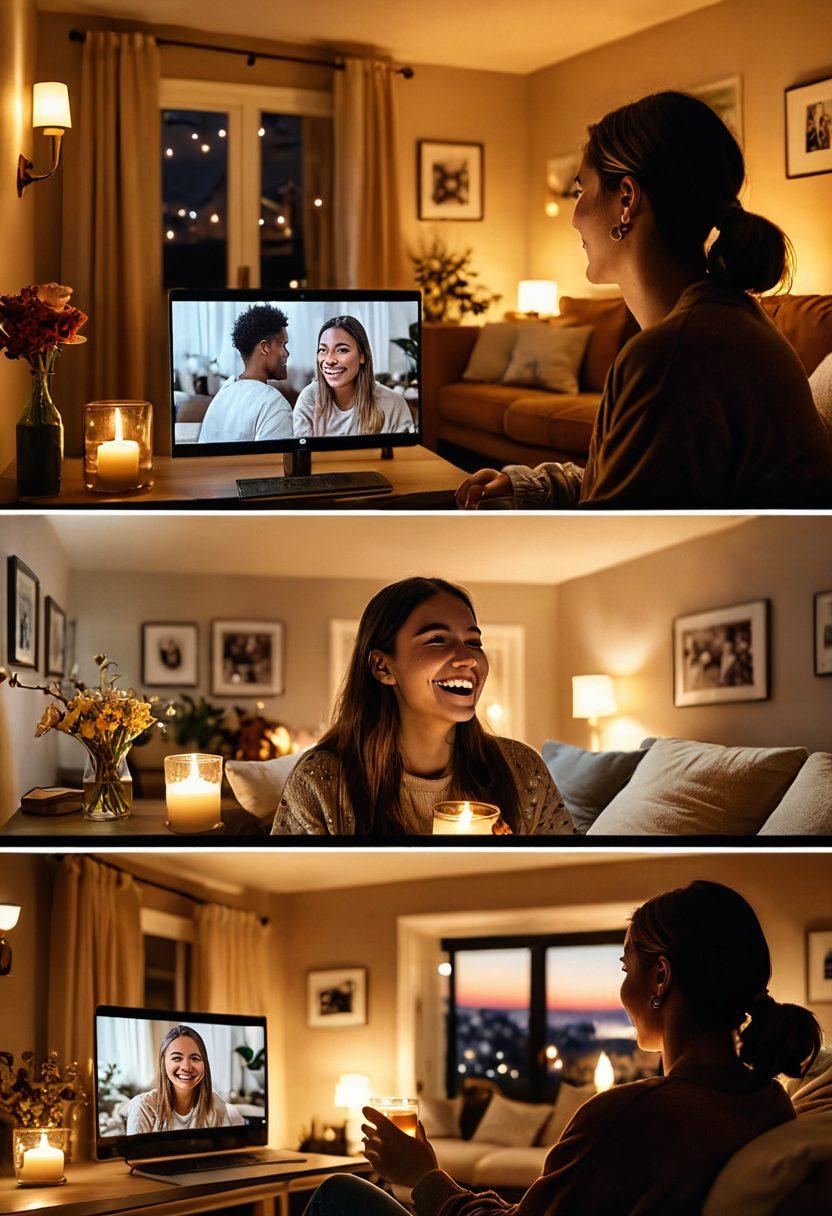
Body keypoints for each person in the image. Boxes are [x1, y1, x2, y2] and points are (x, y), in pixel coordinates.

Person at [302, 880, 821, 1216]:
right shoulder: (766, 1100)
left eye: (626, 969)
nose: (621, 991)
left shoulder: (633, 1114)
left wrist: (424, 1178)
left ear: (660, 977)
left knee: (337, 1195)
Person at [456, 91, 832, 510]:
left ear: (626, 200)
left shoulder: (671, 361)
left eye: (582, 190)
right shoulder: (723, 322)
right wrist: (534, 487)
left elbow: (612, 548)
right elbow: (649, 482)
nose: (574, 215)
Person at [271, 577, 574, 837]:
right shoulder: (321, 782)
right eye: (436, 640)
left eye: (473, 642)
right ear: (382, 667)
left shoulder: (522, 771)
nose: (467, 658)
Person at [293, 315, 415, 437]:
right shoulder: (309, 399)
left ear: (362, 356)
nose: (329, 360)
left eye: (342, 350)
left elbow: (405, 454)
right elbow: (301, 453)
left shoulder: (393, 404)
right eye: (323, 350)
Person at [125, 1025, 245, 1134]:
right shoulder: (144, 1106)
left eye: (195, 1058)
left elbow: (224, 1152)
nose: (187, 1067)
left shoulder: (215, 1104)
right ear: (163, 1063)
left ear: (205, 1063)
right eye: (177, 1058)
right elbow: (135, 1157)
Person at [198, 305, 293, 443]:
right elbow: (273, 462)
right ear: (264, 348)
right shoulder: (274, 404)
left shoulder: (224, 392)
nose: (286, 353)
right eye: (282, 345)